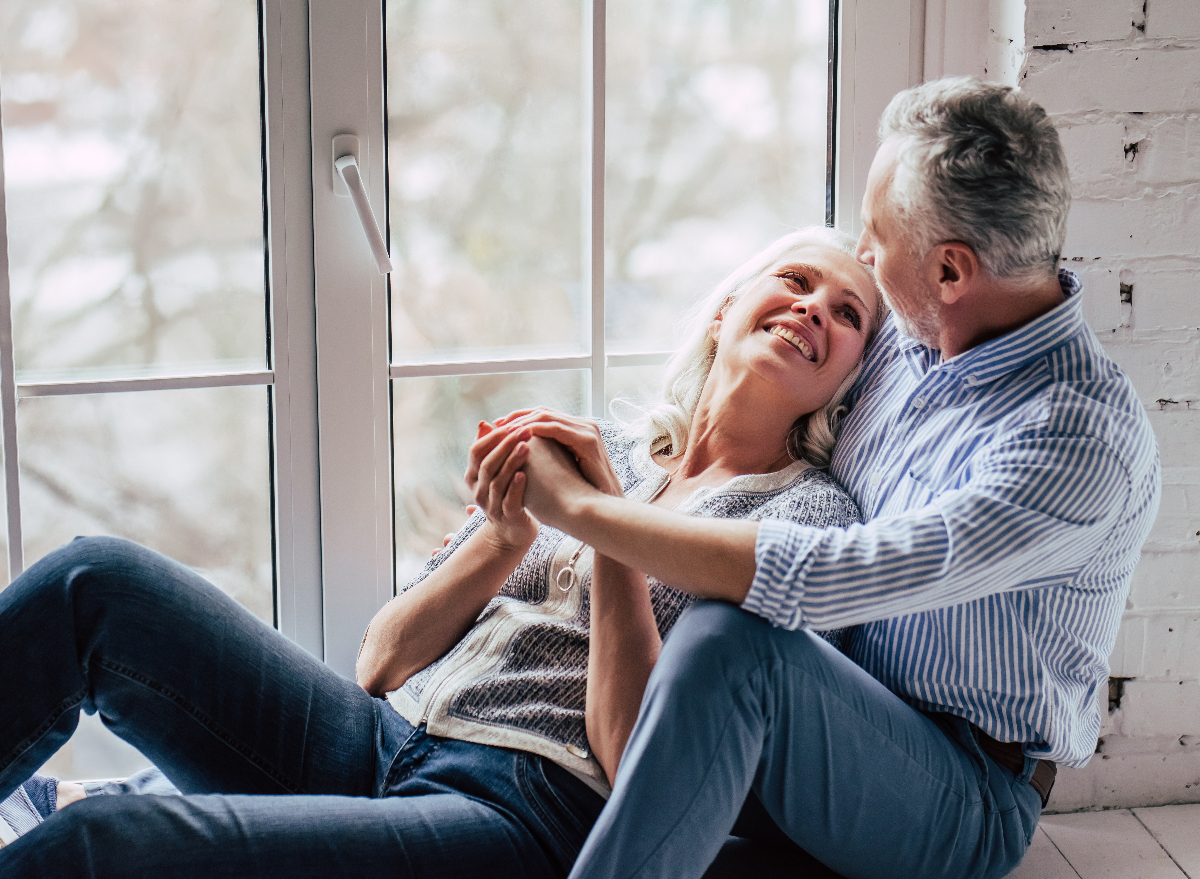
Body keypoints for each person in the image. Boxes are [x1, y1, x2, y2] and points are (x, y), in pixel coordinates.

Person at [0, 225, 882, 877]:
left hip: (525, 811)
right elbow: (380, 660)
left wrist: (606, 529)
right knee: (96, 582)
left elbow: (638, 765)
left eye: (847, 315)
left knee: (99, 848)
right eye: (797, 280)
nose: (814, 309)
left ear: (848, 377)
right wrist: (504, 536)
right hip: (386, 739)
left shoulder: (810, 522)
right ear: (730, 307)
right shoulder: (606, 446)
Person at [471, 77, 1161, 879]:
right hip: (820, 711)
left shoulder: (1076, 443)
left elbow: (821, 575)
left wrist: (586, 510)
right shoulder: (916, 333)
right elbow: (765, 355)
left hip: (961, 785)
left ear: (950, 271)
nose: (861, 255)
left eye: (875, 236)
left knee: (731, 642)